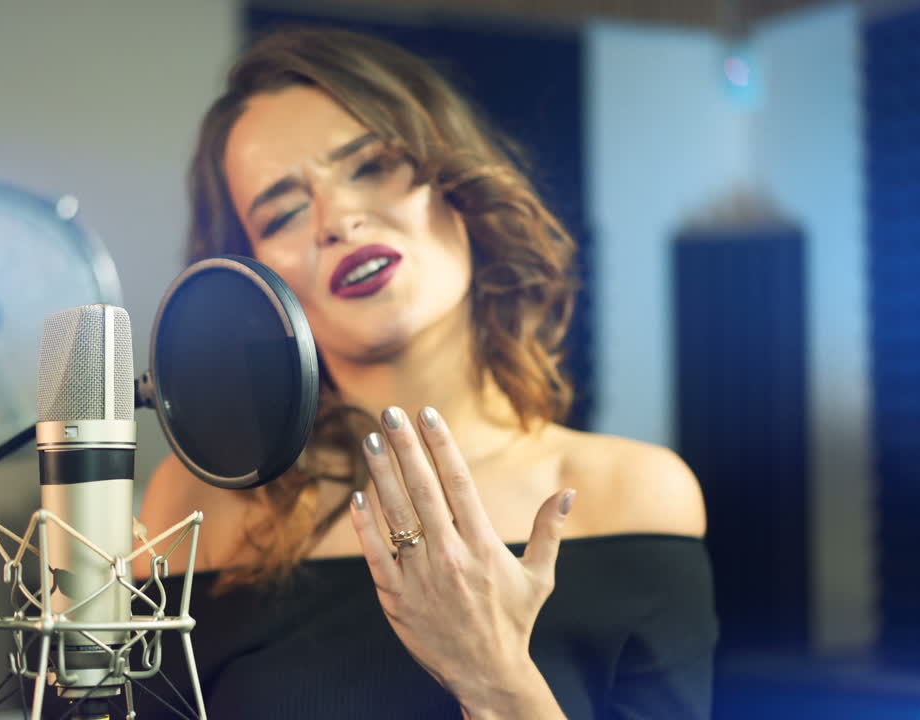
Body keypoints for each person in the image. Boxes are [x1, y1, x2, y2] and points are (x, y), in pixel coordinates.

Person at [134, 26, 715, 720]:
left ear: (457, 185)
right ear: (255, 279)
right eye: (285, 211)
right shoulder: (199, 510)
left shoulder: (633, 495)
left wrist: (496, 678)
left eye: (371, 166)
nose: (338, 219)